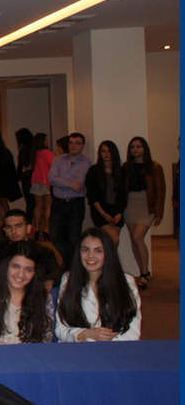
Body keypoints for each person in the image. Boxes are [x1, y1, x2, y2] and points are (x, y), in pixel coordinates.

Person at [55, 228, 140, 342]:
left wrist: (104, 344)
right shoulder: (68, 279)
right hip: (77, 348)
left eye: (98, 251)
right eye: (85, 250)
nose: (90, 256)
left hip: (116, 348)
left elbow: (133, 332)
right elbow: (61, 330)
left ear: (108, 253)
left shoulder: (126, 282)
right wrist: (85, 334)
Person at [0, 242, 54, 345]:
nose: (21, 275)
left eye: (28, 270)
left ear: (35, 273)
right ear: (5, 267)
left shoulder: (43, 299)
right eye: (16, 267)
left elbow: (46, 339)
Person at [121, 136, 165, 289]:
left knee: (138, 237)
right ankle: (142, 272)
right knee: (134, 240)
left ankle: (145, 273)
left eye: (139, 146)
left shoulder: (155, 167)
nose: (135, 149)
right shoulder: (126, 167)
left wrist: (159, 213)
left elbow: (161, 191)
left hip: (147, 206)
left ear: (145, 148)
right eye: (133, 147)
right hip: (130, 205)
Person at [0, 209, 62, 289]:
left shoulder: (43, 252)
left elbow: (56, 274)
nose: (13, 231)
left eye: (18, 226)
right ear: (5, 230)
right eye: (9, 227)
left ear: (28, 228)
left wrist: (49, 281)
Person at [48, 132, 92, 270]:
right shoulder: (58, 160)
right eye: (71, 143)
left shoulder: (86, 162)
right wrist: (69, 183)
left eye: (77, 143)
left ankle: (72, 267)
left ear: (82, 146)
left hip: (75, 204)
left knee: (73, 238)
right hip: (58, 203)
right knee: (55, 236)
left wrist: (61, 181)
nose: (73, 146)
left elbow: (79, 185)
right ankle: (69, 263)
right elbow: (51, 178)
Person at [85, 140, 126, 246]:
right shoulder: (93, 171)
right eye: (103, 151)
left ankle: (109, 257)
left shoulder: (121, 172)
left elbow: (124, 195)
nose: (106, 154)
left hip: (116, 212)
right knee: (113, 239)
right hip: (100, 211)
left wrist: (119, 213)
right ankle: (109, 257)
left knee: (112, 243)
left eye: (109, 151)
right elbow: (92, 195)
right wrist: (103, 214)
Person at [29, 133, 55, 241]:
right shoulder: (48, 153)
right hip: (46, 181)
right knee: (48, 206)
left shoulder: (34, 153)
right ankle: (46, 230)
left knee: (38, 206)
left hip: (36, 181)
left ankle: (36, 229)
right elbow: (53, 166)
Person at [16, 128, 35, 222]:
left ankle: (30, 222)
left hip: (27, 179)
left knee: (30, 203)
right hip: (34, 178)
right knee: (34, 203)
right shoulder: (34, 149)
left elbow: (24, 165)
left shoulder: (24, 150)